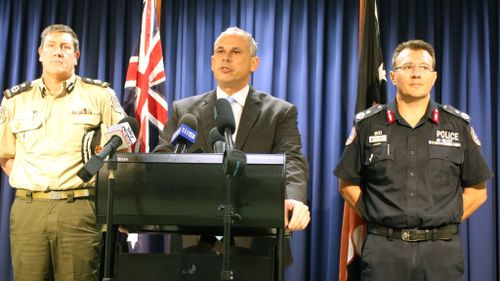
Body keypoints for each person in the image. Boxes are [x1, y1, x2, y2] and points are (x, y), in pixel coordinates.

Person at [334, 39, 493, 281]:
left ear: (434, 77)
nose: (416, 74)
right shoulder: (368, 124)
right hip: (384, 251)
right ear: (393, 76)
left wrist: (441, 219)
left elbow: (478, 191)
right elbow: (347, 184)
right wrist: (375, 213)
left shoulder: (458, 126)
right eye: (407, 67)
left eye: (423, 67)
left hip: (440, 253)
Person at [154, 27, 310, 262]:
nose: (226, 58)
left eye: (236, 51)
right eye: (220, 51)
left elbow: (293, 162)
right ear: (212, 61)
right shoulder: (184, 110)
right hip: (193, 240)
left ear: (254, 63)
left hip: (257, 240)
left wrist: (294, 198)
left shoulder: (279, 112)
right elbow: (163, 160)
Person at [0, 24, 126, 281]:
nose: (59, 52)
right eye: (52, 46)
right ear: (40, 53)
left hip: (78, 209)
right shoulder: (15, 100)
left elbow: (122, 146)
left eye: (66, 47)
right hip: (29, 209)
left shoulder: (100, 95)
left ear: (76, 56)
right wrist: (36, 182)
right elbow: (5, 155)